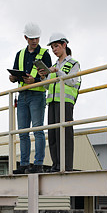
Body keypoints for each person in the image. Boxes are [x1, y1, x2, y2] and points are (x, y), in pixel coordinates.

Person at [9, 22, 53, 174]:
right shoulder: (20, 54)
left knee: (38, 129)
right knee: (22, 131)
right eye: (32, 38)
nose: (35, 41)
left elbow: (49, 77)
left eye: (37, 38)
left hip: (37, 95)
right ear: (26, 38)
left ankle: (38, 163)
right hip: (22, 95)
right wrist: (13, 78)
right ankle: (24, 164)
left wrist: (35, 81)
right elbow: (16, 73)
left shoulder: (45, 54)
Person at [38, 32, 81, 172]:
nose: (54, 50)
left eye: (56, 46)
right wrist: (43, 77)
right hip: (52, 101)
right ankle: (56, 164)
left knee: (65, 134)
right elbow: (46, 86)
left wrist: (58, 72)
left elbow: (73, 81)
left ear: (64, 45)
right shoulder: (52, 65)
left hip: (65, 102)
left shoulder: (74, 63)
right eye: (52, 48)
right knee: (53, 135)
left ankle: (66, 165)